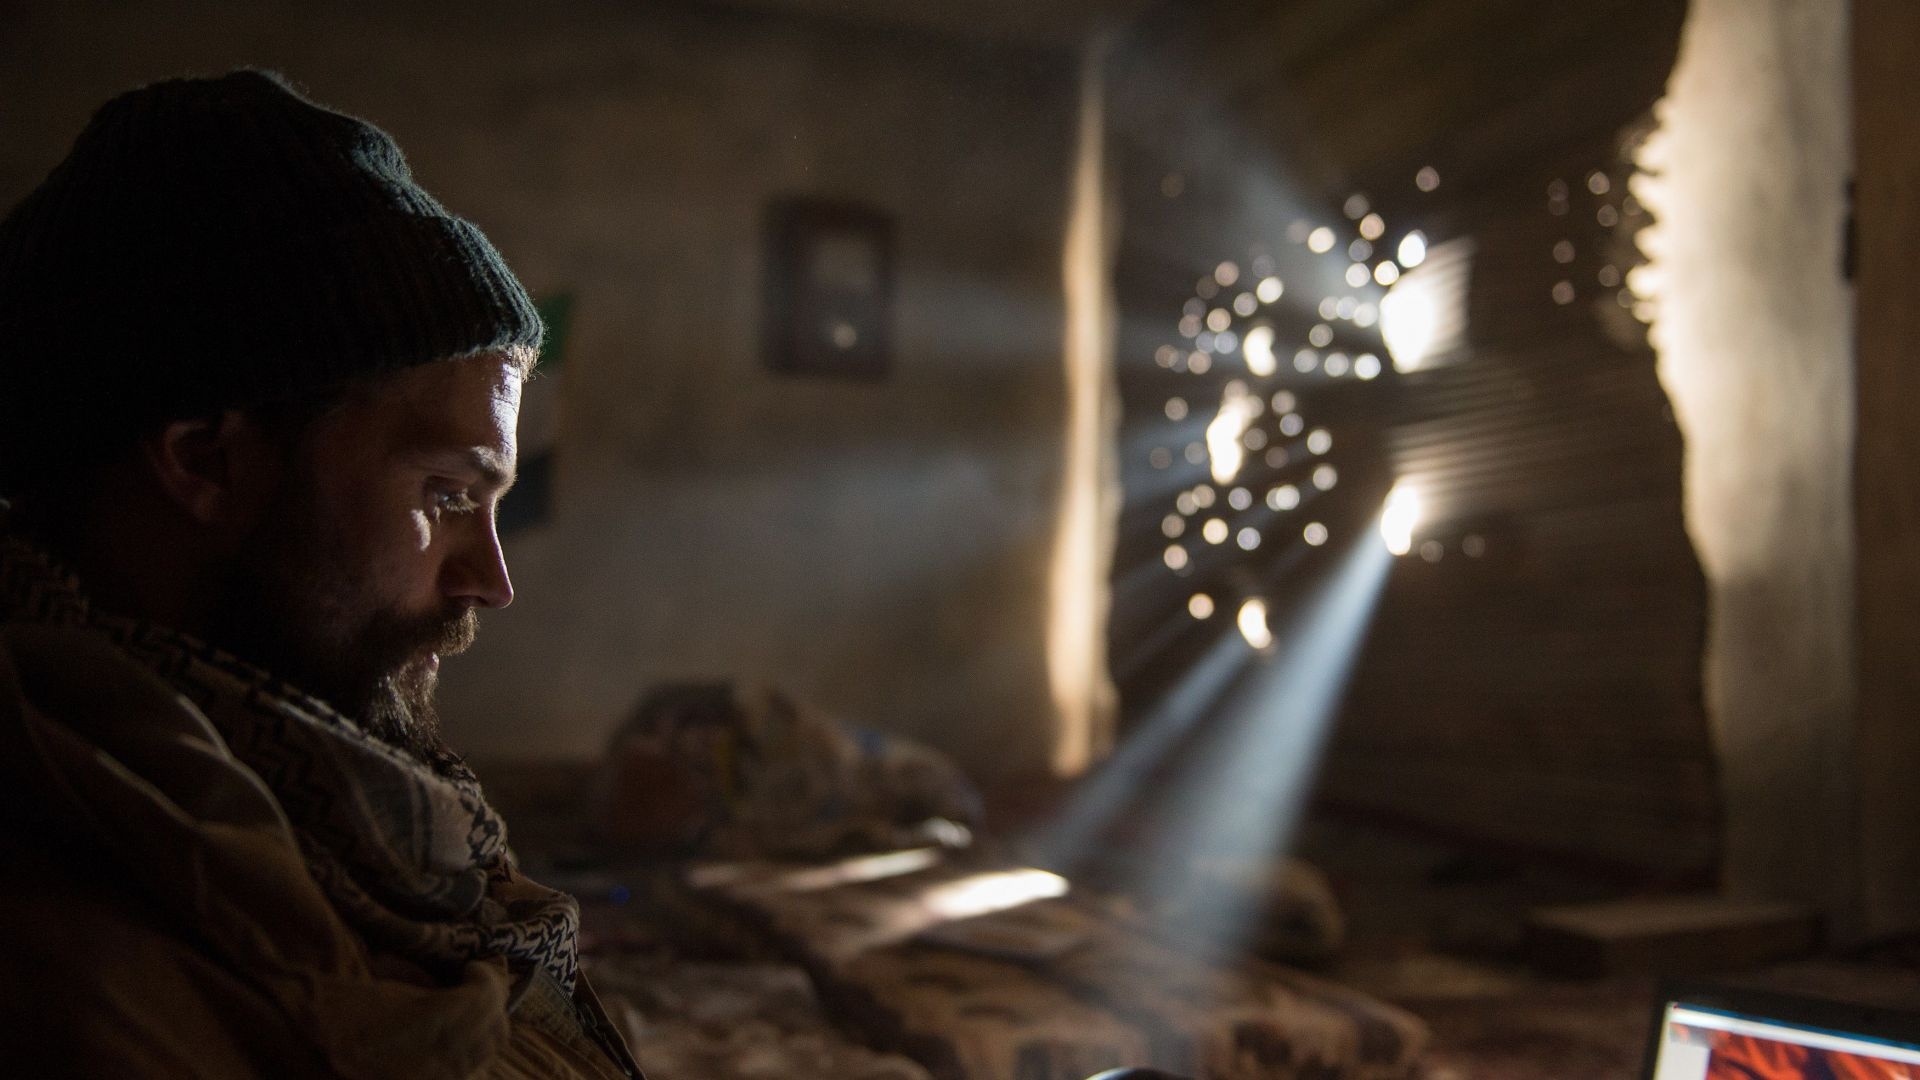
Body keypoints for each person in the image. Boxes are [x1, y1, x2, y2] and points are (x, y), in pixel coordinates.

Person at [0, 71, 641, 1078]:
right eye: (444, 494)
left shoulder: (321, 824)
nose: (491, 580)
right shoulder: (83, 975)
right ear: (208, 462)